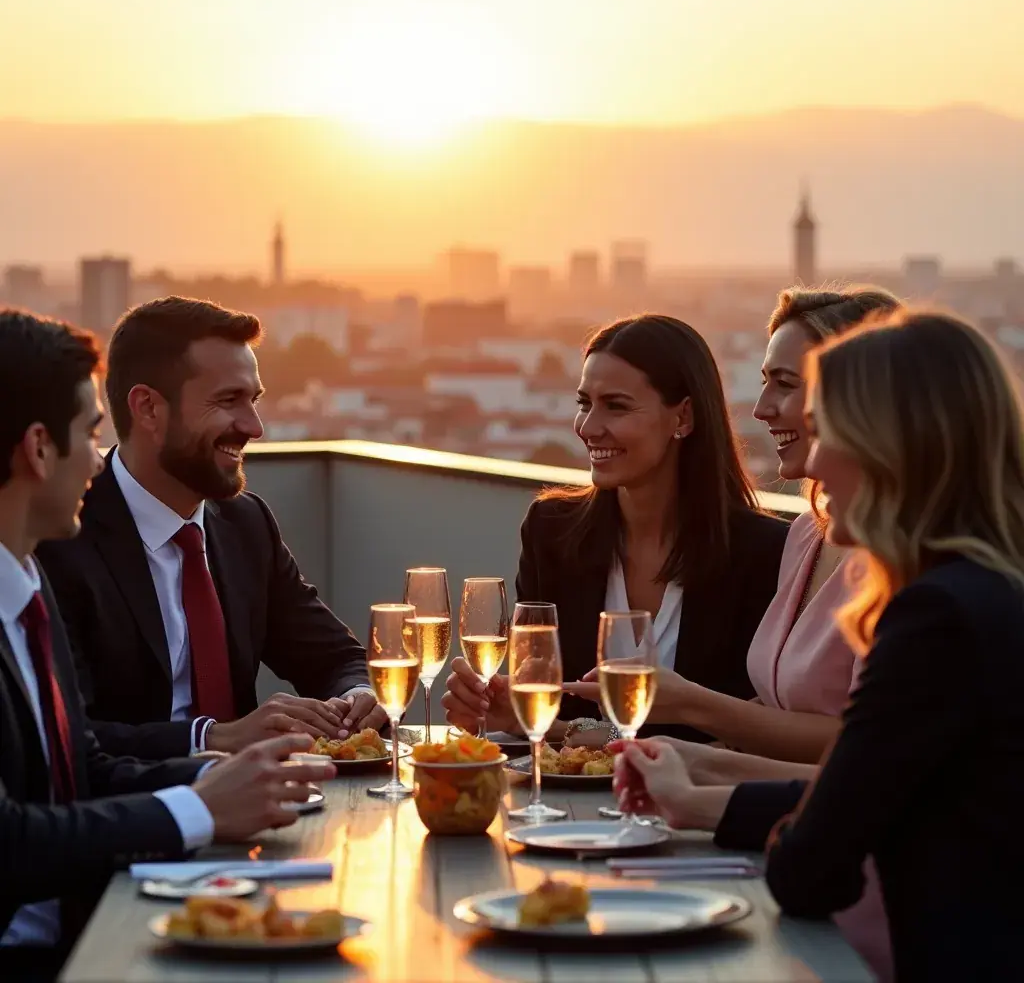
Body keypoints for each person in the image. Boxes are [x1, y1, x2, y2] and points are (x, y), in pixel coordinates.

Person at [615, 309, 1024, 981]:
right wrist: (694, 788)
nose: (815, 458)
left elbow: (813, 866)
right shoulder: (988, 592)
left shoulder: (936, 618)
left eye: (830, 430)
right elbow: (872, 794)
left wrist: (706, 794)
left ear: (894, 447)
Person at [0, 309, 335, 981]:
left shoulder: (24, 586)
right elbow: (10, 842)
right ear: (38, 449)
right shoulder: (51, 571)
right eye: (89, 434)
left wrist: (220, 779)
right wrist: (200, 806)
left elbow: (82, 769)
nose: (98, 459)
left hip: (91, 912)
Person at [36, 297, 385, 761]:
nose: (254, 427)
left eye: (253, 400)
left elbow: (335, 657)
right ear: (148, 408)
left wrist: (357, 697)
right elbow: (68, 737)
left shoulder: (246, 524)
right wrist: (209, 739)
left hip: (262, 798)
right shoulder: (59, 539)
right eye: (228, 400)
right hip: (138, 802)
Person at [566, 286, 903, 764]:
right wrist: (669, 759)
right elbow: (769, 718)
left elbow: (870, 750)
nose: (761, 407)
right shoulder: (806, 535)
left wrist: (690, 709)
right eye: (766, 381)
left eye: (786, 384)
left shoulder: (909, 560)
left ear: (857, 398)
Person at [443, 313, 789, 744]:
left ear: (683, 417)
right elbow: (551, 707)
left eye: (616, 406)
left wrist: (586, 734)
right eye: (584, 403)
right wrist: (508, 712)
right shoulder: (551, 532)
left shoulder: (766, 553)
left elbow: (752, 735)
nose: (588, 427)